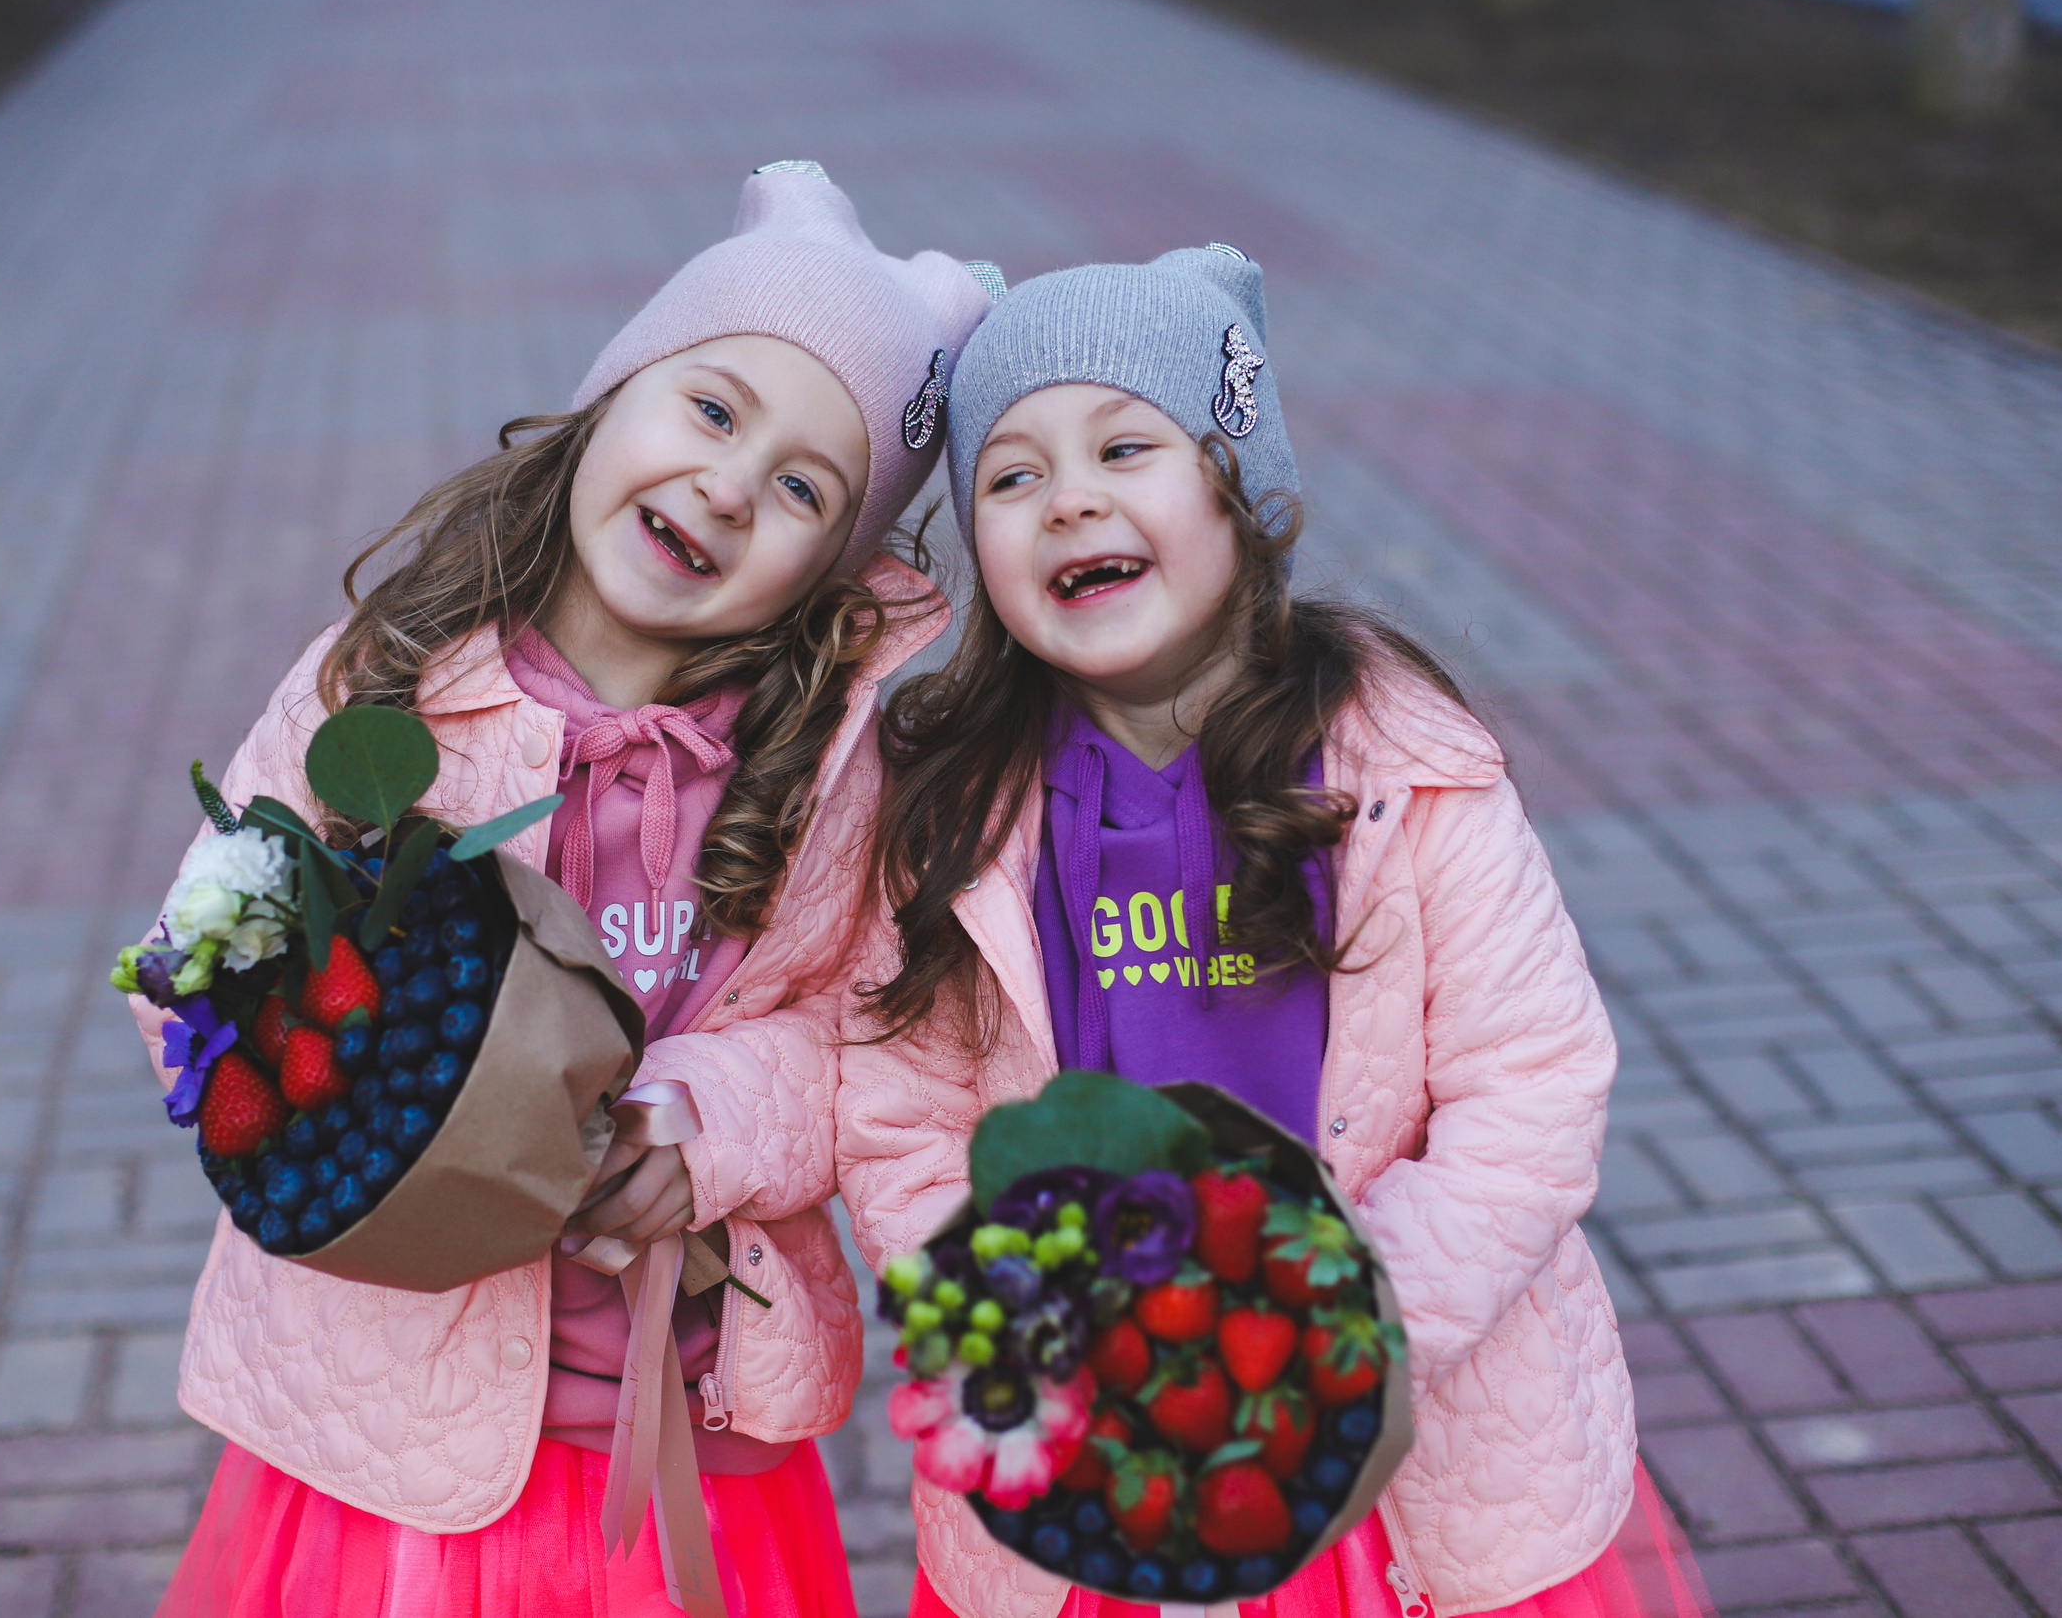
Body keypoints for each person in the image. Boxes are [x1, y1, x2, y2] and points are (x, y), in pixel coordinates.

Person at [142, 162, 997, 1617]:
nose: (729, 485)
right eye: (713, 409)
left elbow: (873, 1044)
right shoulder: (397, 679)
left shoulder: (828, 770)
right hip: (396, 1420)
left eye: (803, 487)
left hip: (680, 1429)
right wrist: (344, 1059)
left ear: (829, 569)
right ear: (616, 394)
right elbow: (203, 944)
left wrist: (713, 1123)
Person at [840, 245, 1713, 1618]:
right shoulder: (958, 818)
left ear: (1238, 489)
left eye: (1124, 447)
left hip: (1390, 1443)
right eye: (1011, 477)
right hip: (1099, 1445)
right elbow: (898, 1117)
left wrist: (1341, 1329)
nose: (1070, 499)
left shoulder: (1404, 769)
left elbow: (1533, 1085)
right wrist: (1026, 1316)